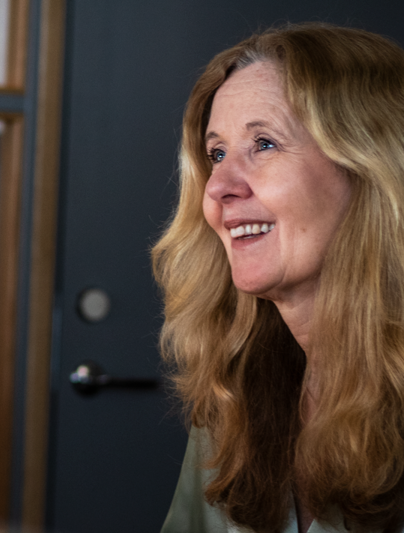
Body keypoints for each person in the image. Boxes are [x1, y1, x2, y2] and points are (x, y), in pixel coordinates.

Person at [153, 23, 404, 533]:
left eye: (263, 144)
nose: (219, 185)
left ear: (370, 169)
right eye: (216, 153)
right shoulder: (232, 393)